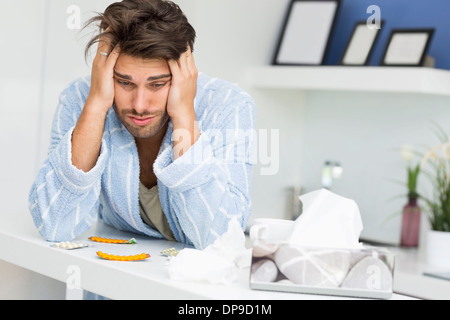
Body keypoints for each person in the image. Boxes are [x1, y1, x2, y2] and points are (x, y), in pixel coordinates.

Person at [28, 0, 255, 250]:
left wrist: (184, 114)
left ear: (185, 74)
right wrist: (95, 106)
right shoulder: (81, 98)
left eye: (157, 84)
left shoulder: (228, 104)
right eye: (124, 82)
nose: (139, 104)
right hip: (114, 278)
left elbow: (222, 239)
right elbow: (55, 225)